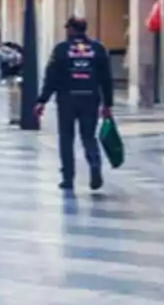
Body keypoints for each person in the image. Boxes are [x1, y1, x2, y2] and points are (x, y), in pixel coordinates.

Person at [34, 16, 115, 191]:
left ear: (71, 29)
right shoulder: (98, 49)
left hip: (67, 100)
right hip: (90, 99)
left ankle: (68, 178)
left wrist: (42, 100)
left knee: (66, 138)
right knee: (88, 136)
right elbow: (106, 79)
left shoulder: (61, 50)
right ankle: (94, 163)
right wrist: (107, 104)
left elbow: (51, 78)